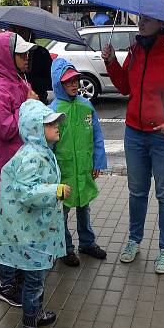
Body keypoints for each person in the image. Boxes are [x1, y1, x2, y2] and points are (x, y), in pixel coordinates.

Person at [101, 15, 164, 274]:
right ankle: (134, 240)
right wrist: (111, 61)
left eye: (148, 19)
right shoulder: (135, 50)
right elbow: (125, 87)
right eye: (141, 18)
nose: (141, 23)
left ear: (162, 23)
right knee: (137, 192)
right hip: (135, 133)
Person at [0, 99, 68, 328]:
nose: (57, 126)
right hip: (28, 234)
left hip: (35, 229)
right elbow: (26, 192)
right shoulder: (31, 156)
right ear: (35, 127)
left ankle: (36, 313)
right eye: (50, 123)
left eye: (56, 121)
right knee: (34, 281)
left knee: (39, 276)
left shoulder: (42, 150)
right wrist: (55, 190)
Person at [0, 31, 38, 306]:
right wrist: (29, 104)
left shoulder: (18, 82)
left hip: (21, 166)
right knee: (10, 226)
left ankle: (16, 275)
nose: (27, 58)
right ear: (6, 57)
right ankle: (6, 284)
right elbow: (7, 129)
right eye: (21, 54)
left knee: (21, 223)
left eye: (26, 54)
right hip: (6, 169)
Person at [49, 58, 108, 267]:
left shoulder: (86, 106)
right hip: (63, 173)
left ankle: (87, 243)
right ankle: (65, 248)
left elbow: (96, 135)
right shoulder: (53, 111)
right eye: (67, 82)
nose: (74, 84)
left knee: (84, 206)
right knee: (61, 212)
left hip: (83, 169)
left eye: (75, 80)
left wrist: (97, 162)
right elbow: (48, 145)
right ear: (58, 83)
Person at [11, 26, 53, 103]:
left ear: (29, 32)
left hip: (38, 99)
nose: (17, 34)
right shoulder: (10, 53)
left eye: (21, 30)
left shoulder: (41, 53)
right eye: (14, 30)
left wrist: (30, 79)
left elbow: (50, 82)